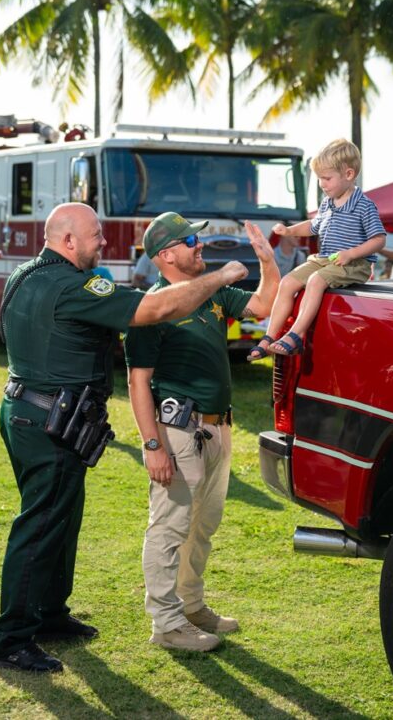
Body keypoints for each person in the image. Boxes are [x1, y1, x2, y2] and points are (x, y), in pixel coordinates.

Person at [0, 202, 246, 675]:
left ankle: (50, 614)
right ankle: (10, 637)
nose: (103, 243)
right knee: (40, 524)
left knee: (61, 519)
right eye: (95, 237)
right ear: (67, 242)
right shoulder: (73, 284)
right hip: (51, 420)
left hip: (27, 410)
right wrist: (221, 276)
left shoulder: (23, 274)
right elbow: (157, 307)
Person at [124, 212, 279, 652]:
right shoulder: (151, 309)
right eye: (190, 240)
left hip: (217, 429)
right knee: (170, 529)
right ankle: (166, 625)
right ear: (166, 254)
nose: (200, 245)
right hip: (177, 432)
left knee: (203, 526)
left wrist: (267, 261)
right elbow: (137, 383)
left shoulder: (213, 295)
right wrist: (152, 446)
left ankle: (191, 606)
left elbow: (263, 307)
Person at [248, 138, 386, 360]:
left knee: (315, 281)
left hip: (353, 264)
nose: (322, 183)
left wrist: (350, 253)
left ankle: (295, 335)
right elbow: (313, 226)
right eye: (320, 178)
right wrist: (289, 231)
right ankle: (270, 336)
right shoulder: (328, 202)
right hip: (326, 259)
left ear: (349, 175)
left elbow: (379, 239)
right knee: (287, 282)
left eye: (327, 178)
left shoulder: (364, 205)